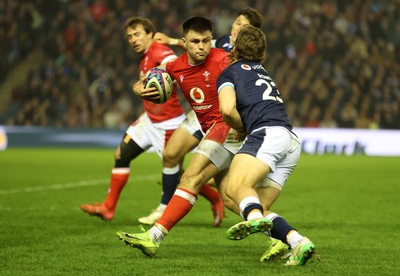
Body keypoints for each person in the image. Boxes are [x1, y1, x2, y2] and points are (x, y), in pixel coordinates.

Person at [115, 16, 274, 259]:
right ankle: (286, 237)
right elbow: (156, 74)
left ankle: (154, 236)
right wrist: (138, 88)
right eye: (195, 41)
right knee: (232, 199)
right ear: (184, 42)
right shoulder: (175, 67)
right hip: (211, 131)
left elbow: (251, 80)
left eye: (206, 41)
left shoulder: (225, 60)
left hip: (227, 128)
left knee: (190, 178)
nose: (201, 46)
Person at [79, 17, 222, 226]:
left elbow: (169, 61)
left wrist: (162, 72)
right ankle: (108, 207)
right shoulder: (145, 55)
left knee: (177, 171)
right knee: (121, 155)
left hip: (168, 122)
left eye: (137, 34)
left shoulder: (157, 49)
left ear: (150, 34)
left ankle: (208, 198)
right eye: (129, 36)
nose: (133, 40)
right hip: (149, 119)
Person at [217, 25, 316, 266]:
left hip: (266, 133)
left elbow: (227, 110)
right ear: (262, 53)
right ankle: (297, 241)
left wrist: (242, 128)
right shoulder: (263, 73)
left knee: (235, 186)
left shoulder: (230, 73)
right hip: (289, 141)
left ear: (235, 49)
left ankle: (253, 219)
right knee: (253, 203)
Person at [154, 7, 263, 52]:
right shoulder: (224, 40)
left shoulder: (249, 54)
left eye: (245, 27)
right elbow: (199, 45)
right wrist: (170, 40)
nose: (239, 29)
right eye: (238, 23)